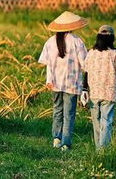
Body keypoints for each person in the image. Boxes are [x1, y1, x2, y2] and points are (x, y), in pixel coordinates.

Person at [38, 11, 88, 151]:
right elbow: (85, 64)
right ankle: (66, 143)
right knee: (69, 113)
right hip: (72, 84)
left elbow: (48, 64)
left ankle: (56, 138)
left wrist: (49, 80)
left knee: (57, 110)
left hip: (55, 83)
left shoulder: (50, 42)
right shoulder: (77, 41)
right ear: (72, 26)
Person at [81, 25, 116, 150]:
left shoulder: (91, 53)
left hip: (94, 93)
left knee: (96, 123)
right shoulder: (114, 54)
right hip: (109, 93)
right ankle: (103, 150)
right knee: (106, 122)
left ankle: (99, 149)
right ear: (112, 38)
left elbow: (85, 72)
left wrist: (84, 89)